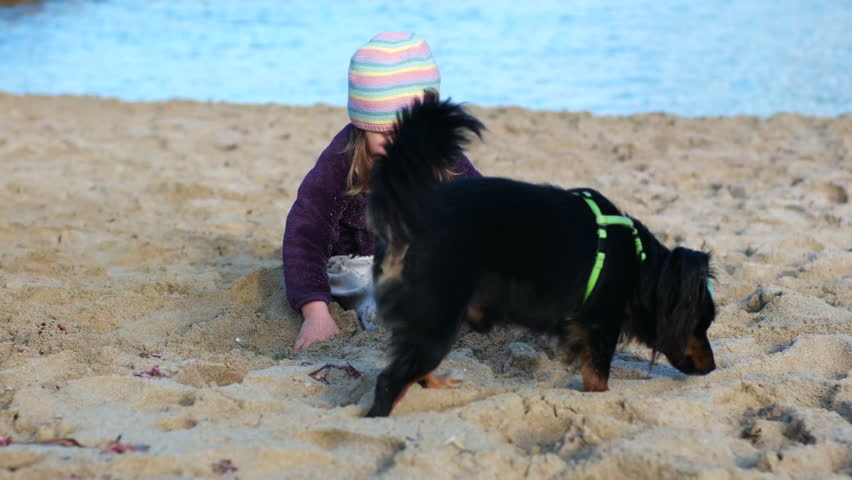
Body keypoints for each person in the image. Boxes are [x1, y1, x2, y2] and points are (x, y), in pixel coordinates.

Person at [283, 32, 482, 350]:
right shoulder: (341, 160)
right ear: (364, 127)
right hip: (359, 265)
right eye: (388, 133)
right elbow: (305, 235)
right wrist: (315, 312)